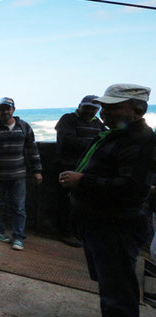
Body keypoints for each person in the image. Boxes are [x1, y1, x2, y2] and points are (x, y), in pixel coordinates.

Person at [59, 84, 156, 317]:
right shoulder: (119, 135)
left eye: (114, 107)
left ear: (138, 110)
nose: (106, 112)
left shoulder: (141, 141)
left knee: (120, 292)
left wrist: (82, 181)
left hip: (117, 226)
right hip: (100, 222)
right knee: (109, 285)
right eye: (105, 106)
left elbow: (133, 189)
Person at [0, 97, 43, 251]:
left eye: (8, 108)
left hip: (18, 175)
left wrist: (37, 170)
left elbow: (32, 150)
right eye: (2, 108)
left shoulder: (24, 127)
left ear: (13, 109)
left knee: (19, 207)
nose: (5, 111)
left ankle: (19, 237)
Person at [55, 95, 106, 247]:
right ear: (79, 106)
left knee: (83, 202)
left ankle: (79, 232)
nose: (90, 111)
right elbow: (68, 140)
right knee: (66, 201)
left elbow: (106, 136)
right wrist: (95, 144)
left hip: (88, 169)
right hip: (68, 166)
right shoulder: (68, 119)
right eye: (87, 108)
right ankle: (66, 232)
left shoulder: (97, 122)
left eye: (94, 109)